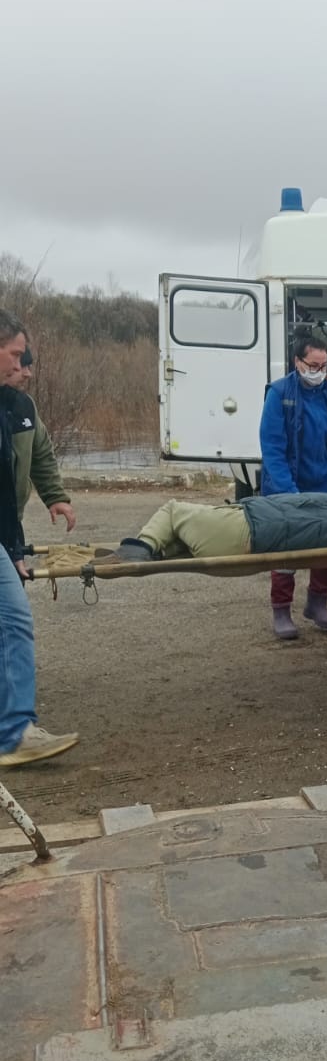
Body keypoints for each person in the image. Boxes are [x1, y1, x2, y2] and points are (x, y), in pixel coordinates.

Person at [0, 309, 78, 768]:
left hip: (4, 530)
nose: (21, 367)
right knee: (12, 621)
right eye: (14, 355)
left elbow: (40, 455)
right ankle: (13, 734)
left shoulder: (19, 408)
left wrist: (56, 497)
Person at [259, 332, 327, 637]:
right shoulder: (279, 394)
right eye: (313, 365)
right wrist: (288, 493)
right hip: (288, 488)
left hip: (326, 484)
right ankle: (281, 611)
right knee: (287, 551)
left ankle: (317, 602)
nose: (318, 372)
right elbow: (273, 448)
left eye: (324, 366)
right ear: (297, 362)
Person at [99, 492, 327, 563]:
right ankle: (148, 550)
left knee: (175, 513)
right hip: (248, 525)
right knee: (179, 523)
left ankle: (141, 550)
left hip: (247, 527)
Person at [5, 346, 77, 534]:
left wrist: (55, 497)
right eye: (24, 366)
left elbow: (41, 455)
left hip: (12, 520)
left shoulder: (25, 406)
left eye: (30, 367)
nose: (29, 374)